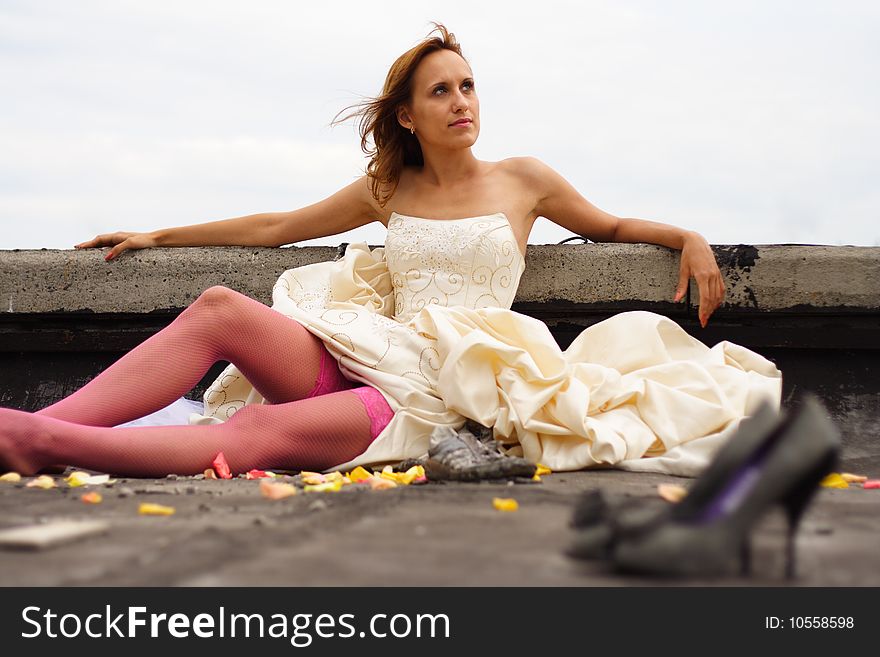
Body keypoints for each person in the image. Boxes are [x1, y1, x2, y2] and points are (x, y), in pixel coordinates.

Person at [0, 24, 781, 479]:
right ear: (407, 115)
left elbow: (608, 226)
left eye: (468, 86)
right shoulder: (388, 185)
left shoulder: (524, 180)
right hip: (361, 348)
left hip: (437, 384)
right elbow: (278, 228)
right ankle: (31, 429)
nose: (462, 102)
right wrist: (156, 233)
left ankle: (44, 442)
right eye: (441, 91)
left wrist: (687, 236)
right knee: (217, 309)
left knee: (257, 441)